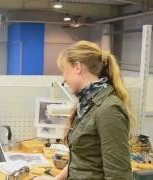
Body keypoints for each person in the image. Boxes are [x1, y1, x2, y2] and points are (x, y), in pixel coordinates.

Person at [54, 41, 135, 180]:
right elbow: (82, 159)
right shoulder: (87, 104)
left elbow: (119, 175)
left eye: (64, 71)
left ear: (77, 67)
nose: (64, 79)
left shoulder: (108, 109)